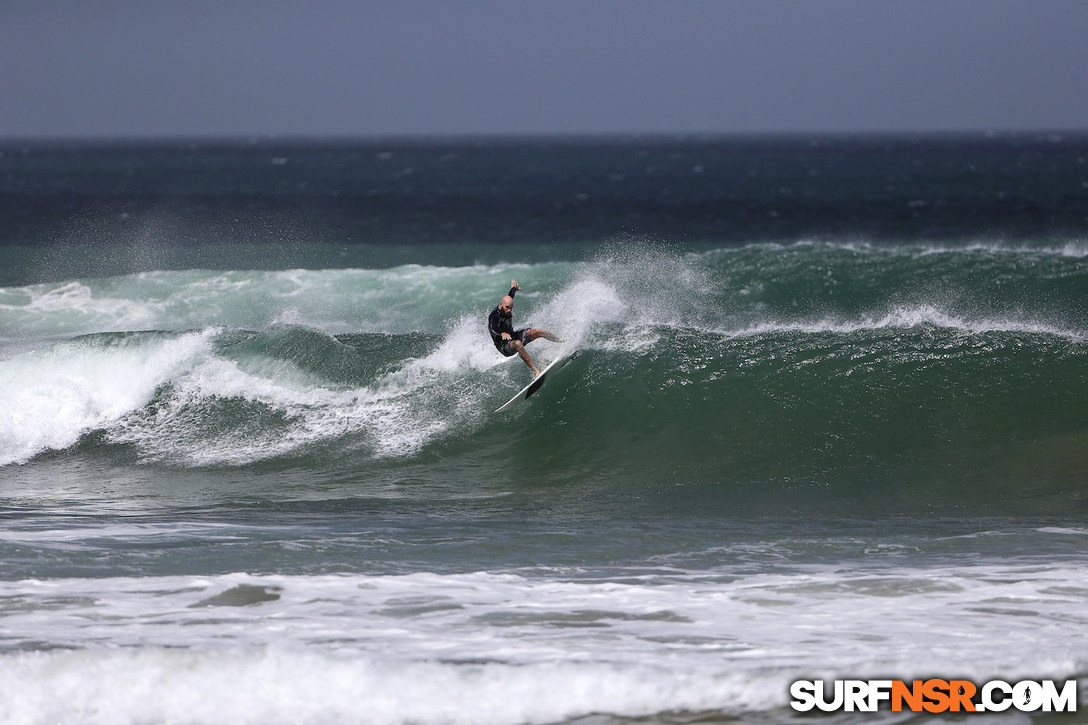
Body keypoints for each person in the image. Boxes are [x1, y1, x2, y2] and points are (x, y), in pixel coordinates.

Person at [487, 279, 560, 377]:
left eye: (511, 308)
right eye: (507, 307)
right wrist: (502, 333)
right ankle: (536, 372)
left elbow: (510, 296)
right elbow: (493, 327)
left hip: (512, 336)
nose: (509, 310)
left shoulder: (507, 305)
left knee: (538, 332)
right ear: (500, 305)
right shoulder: (494, 316)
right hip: (503, 346)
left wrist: (513, 288)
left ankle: (563, 341)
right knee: (518, 344)